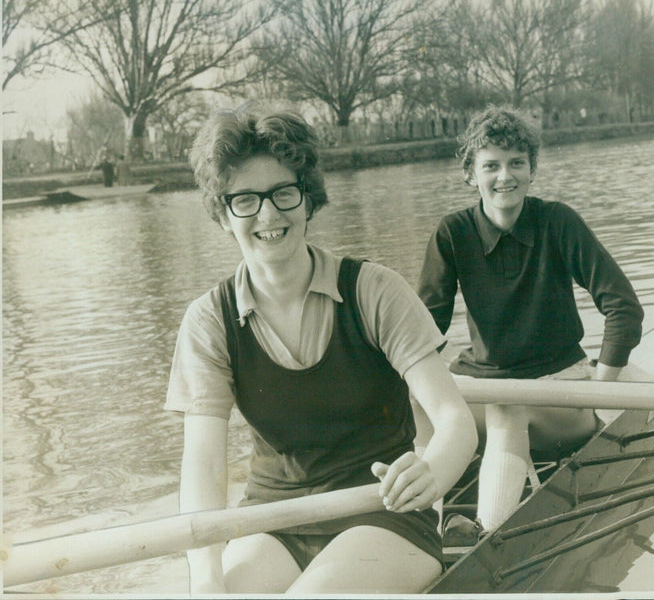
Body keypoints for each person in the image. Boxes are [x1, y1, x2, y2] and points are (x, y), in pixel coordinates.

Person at [165, 103, 477, 595]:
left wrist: (433, 473)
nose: (269, 214)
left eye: (284, 193)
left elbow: (455, 422)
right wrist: (205, 581)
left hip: (384, 513)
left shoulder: (375, 290)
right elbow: (204, 468)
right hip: (275, 521)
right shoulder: (208, 321)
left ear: (308, 200)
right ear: (224, 216)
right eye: (245, 200)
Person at [417, 106, 644, 542]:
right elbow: (424, 333)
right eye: (491, 166)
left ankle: (487, 535)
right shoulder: (452, 233)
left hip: (560, 390)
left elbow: (623, 307)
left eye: (517, 163)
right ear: (471, 174)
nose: (505, 176)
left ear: (532, 168)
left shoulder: (558, 221)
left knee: (507, 405)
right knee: (413, 401)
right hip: (485, 385)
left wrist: (602, 386)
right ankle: (423, 525)